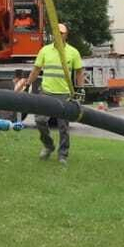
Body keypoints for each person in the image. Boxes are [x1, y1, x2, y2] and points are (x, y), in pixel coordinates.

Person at [29, 23, 82, 164]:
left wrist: (80, 89)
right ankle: (48, 145)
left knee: (63, 127)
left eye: (62, 33)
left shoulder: (73, 52)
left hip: (64, 94)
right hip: (46, 92)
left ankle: (63, 155)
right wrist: (27, 84)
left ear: (66, 35)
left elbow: (79, 72)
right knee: (40, 120)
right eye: (56, 33)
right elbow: (36, 69)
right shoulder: (45, 50)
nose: (59, 35)